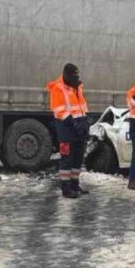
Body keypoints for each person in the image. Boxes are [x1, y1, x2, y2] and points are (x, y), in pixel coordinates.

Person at [47, 63, 89, 199]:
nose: (76, 78)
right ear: (66, 75)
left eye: (77, 75)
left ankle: (75, 185)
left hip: (79, 126)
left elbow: (82, 106)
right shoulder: (58, 88)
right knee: (67, 158)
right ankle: (66, 189)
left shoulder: (77, 87)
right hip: (66, 128)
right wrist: (74, 125)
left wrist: (85, 122)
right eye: (74, 75)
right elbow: (59, 110)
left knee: (78, 157)